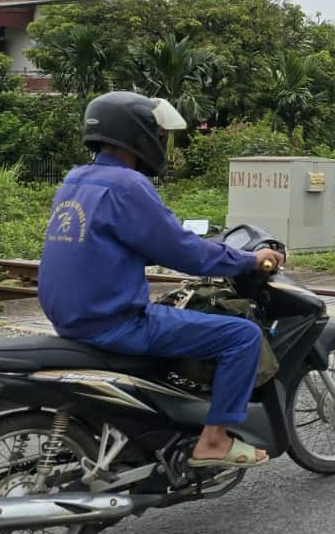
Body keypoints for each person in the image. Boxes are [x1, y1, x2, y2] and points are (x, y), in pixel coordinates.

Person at [37, 91, 284, 469]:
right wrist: (250, 258)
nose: (161, 141)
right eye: (158, 133)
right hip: (115, 323)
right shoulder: (128, 185)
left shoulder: (77, 179)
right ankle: (214, 441)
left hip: (71, 317)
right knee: (242, 336)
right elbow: (188, 254)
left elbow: (115, 241)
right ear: (138, 135)